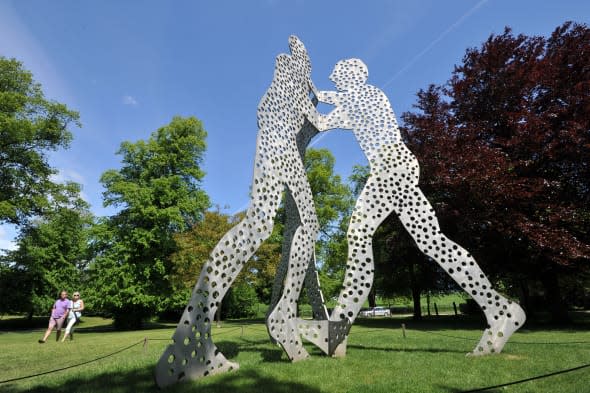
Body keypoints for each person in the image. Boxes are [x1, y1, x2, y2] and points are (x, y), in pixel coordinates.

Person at [312, 58, 526, 356]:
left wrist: (305, 98)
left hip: (391, 169)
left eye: (337, 73)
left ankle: (335, 331)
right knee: (431, 242)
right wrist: (315, 93)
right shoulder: (362, 99)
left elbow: (322, 120)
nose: (333, 77)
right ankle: (499, 308)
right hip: (394, 168)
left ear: (351, 76)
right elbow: (331, 102)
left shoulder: (366, 97)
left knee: (362, 236)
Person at [156, 36, 324, 387]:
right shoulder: (292, 90)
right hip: (282, 154)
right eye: (306, 69)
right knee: (305, 224)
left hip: (270, 151)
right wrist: (326, 97)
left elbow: (296, 128)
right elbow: (319, 123)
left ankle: (195, 339)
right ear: (299, 69)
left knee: (262, 224)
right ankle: (283, 314)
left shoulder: (277, 91)